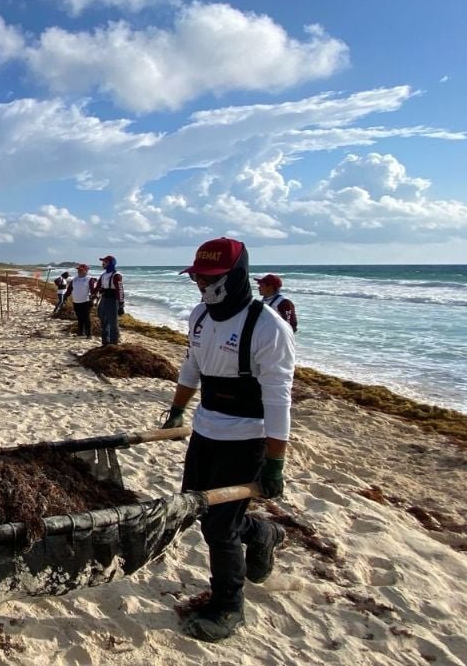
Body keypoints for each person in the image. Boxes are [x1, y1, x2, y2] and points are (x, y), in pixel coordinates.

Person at [161, 237, 295, 643]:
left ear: (236, 277)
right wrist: (178, 410)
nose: (202, 285)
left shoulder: (269, 328)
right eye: (197, 277)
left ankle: (229, 606)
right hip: (205, 431)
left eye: (210, 278)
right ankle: (263, 534)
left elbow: (278, 399)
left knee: (220, 529)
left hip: (247, 438)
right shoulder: (199, 316)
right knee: (201, 509)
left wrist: (275, 463)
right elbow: (192, 365)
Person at [94, 255, 125, 346]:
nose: (103, 264)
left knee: (113, 324)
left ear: (111, 263)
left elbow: (120, 290)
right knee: (103, 322)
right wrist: (93, 295)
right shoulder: (103, 275)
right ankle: (105, 343)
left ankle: (113, 344)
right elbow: (98, 286)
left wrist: (121, 305)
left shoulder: (116, 276)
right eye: (103, 262)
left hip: (112, 301)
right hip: (103, 300)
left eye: (105, 262)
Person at [67, 264, 94, 337]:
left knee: (86, 318)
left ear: (86, 271)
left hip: (86, 302)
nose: (79, 271)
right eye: (78, 270)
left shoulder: (89, 278)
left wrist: (93, 298)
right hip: (76, 302)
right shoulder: (75, 279)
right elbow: (70, 289)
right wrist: (66, 296)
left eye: (81, 270)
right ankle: (81, 332)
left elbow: (92, 290)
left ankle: (89, 334)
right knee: (79, 318)